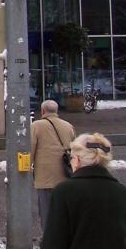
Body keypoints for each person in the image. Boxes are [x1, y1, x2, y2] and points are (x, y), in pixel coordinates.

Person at [30, 99, 75, 231]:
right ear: (56, 111)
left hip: (45, 177)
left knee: (47, 211)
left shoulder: (36, 126)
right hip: (66, 175)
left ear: (43, 111)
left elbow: (30, 150)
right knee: (63, 210)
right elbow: (74, 149)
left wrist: (25, 168)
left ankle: (50, 238)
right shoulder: (68, 126)